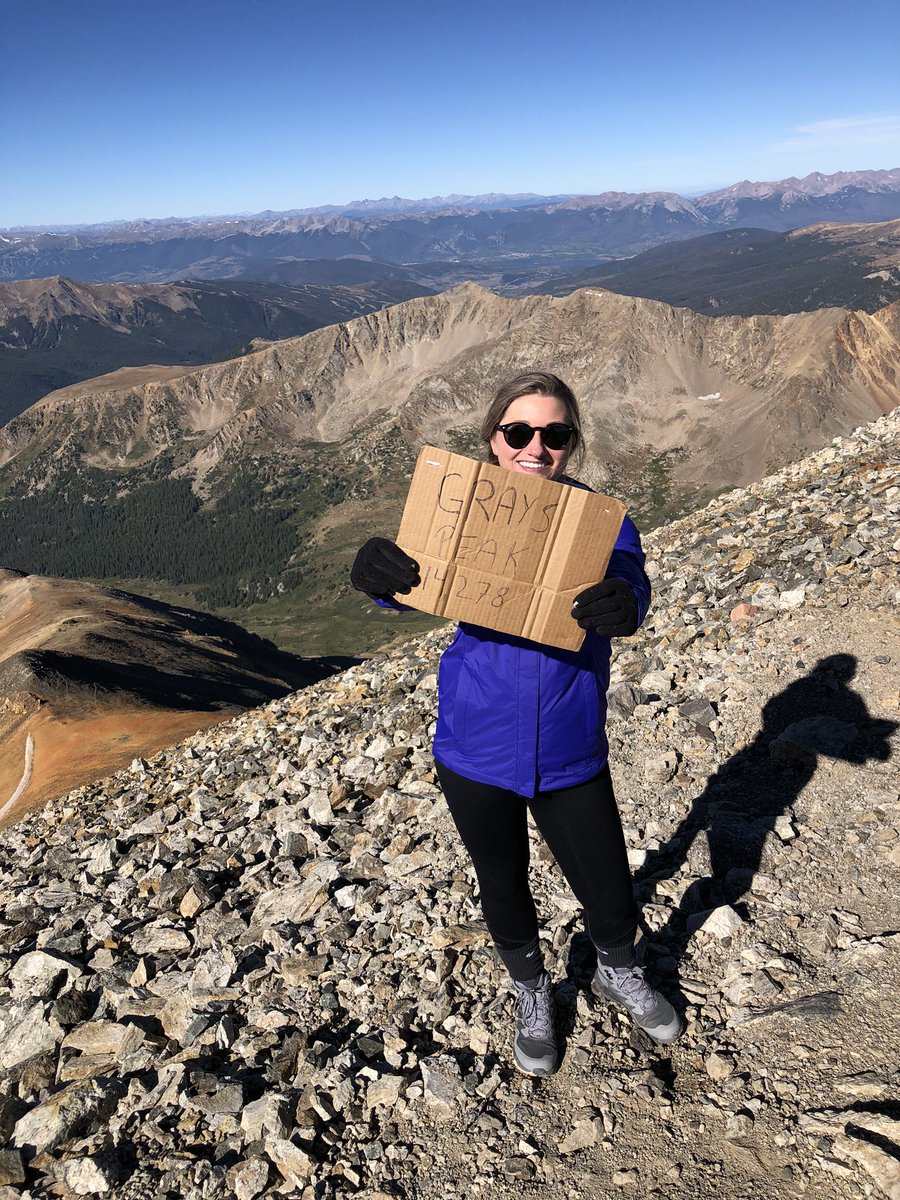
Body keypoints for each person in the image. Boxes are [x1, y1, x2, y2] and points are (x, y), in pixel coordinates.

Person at [350, 371, 681, 1076]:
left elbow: (630, 572)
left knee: (607, 886)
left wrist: (627, 597)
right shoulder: (468, 510)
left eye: (554, 435)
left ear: (571, 445)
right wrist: (378, 577)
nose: (536, 448)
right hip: (474, 745)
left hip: (568, 746)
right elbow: (414, 580)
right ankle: (532, 990)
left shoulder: (602, 520)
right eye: (519, 432)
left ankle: (615, 969)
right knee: (502, 881)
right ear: (493, 441)